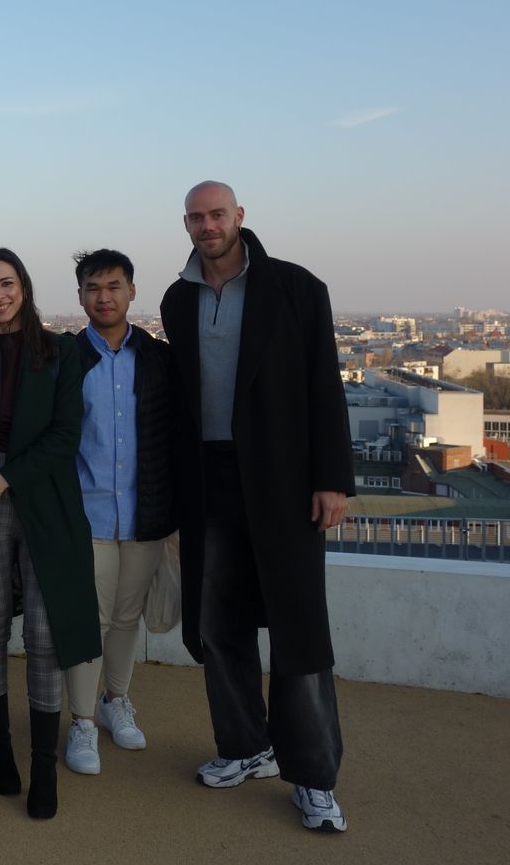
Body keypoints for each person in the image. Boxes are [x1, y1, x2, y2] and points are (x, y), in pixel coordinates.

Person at [160, 181, 353, 833]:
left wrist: (332, 479)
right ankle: (245, 746)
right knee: (218, 623)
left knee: (299, 632)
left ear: (239, 216)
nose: (207, 226)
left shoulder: (297, 288)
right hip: (207, 479)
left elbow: (325, 386)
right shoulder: (178, 299)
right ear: (186, 225)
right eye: (196, 218)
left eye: (217, 214)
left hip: (282, 481)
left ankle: (315, 778)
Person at [0, 247, 99, 820]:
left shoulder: (60, 351)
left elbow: (64, 436)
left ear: (23, 287)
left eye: (6, 284)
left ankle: (43, 767)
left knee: (44, 631)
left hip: (42, 492)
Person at [61, 250, 176, 776]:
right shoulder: (66, 357)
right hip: (85, 513)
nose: (103, 297)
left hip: (144, 513)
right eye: (93, 287)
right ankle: (82, 721)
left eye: (113, 287)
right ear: (80, 295)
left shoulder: (157, 358)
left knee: (128, 618)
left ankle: (116, 700)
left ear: (132, 291)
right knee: (91, 620)